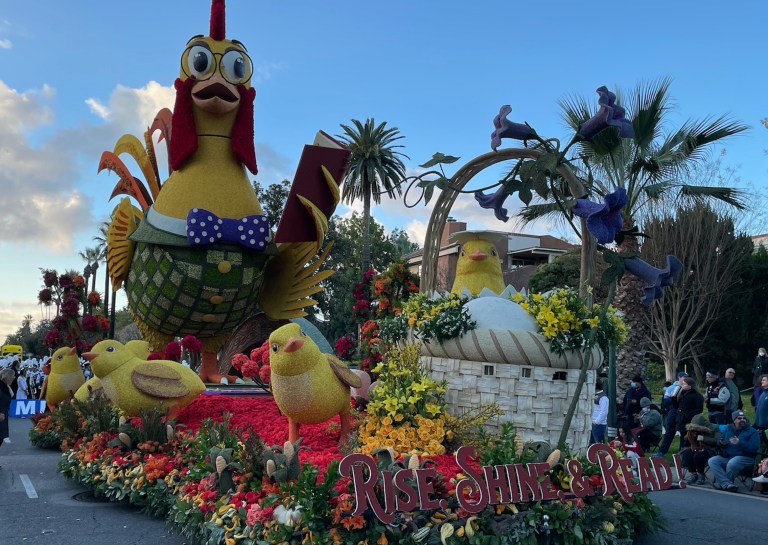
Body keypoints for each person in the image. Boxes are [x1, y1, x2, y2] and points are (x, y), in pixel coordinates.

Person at [707, 410, 760, 492]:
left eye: (744, 418)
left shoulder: (752, 431)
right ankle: (727, 484)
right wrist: (721, 442)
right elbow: (720, 439)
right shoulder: (729, 429)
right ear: (734, 420)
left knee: (732, 462)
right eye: (739, 418)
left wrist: (740, 442)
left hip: (746, 458)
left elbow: (754, 448)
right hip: (729, 456)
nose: (742, 420)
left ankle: (724, 484)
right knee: (713, 460)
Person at [681, 414, 722, 486]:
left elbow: (717, 441)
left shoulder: (715, 428)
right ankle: (693, 474)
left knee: (699, 456)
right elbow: (686, 439)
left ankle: (701, 474)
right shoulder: (693, 430)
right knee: (687, 453)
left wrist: (703, 438)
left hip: (710, 449)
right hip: (697, 447)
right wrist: (690, 435)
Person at [654, 372, 689, 457]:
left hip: (684, 412)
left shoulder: (688, 388)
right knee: (670, 432)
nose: (685, 379)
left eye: (687, 377)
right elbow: (666, 401)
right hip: (673, 411)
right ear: (679, 377)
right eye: (684, 377)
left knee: (684, 433)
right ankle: (662, 452)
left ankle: (682, 453)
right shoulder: (671, 388)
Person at [676, 376, 704, 449]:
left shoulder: (697, 396)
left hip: (690, 420)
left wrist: (688, 415)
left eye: (684, 384)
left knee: (689, 437)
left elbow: (699, 409)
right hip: (681, 419)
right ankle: (681, 452)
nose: (683, 386)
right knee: (682, 436)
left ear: (690, 385)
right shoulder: (683, 394)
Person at [0, 368, 14, 469]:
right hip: (1, 414)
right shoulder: (1, 387)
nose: (13, 378)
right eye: (12, 376)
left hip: (3, 414)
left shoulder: (5, 386)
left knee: (0, 438)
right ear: (7, 376)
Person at [591, 379, 609, 444]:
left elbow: (604, 411)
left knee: (598, 444)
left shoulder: (603, 397)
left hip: (599, 425)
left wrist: (596, 422)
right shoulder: (594, 395)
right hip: (593, 423)